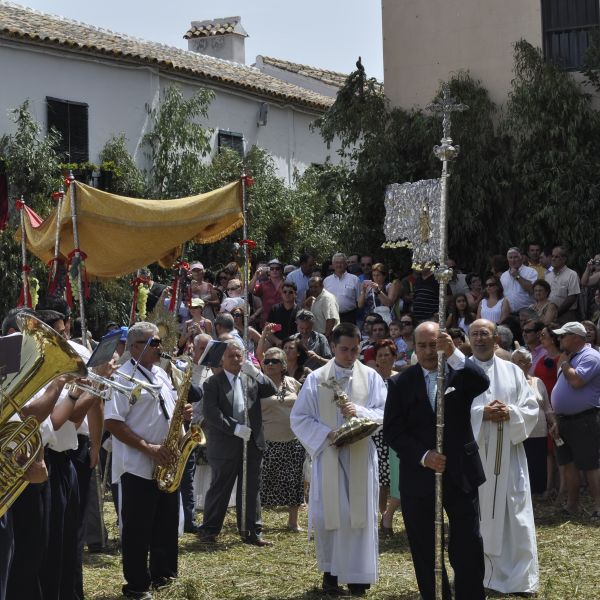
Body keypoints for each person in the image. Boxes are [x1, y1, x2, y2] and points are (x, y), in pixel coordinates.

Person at [383, 322, 489, 600]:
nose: (429, 351)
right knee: (425, 547)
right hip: (419, 478)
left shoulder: (459, 374)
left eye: (434, 344)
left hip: (460, 474)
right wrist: (424, 456)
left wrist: (454, 354)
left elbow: (482, 382)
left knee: (468, 543)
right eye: (423, 345)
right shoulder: (400, 383)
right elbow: (393, 431)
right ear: (414, 347)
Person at [291, 323, 386, 597]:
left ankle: (358, 578)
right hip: (329, 454)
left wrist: (359, 413)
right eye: (344, 349)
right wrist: (328, 434)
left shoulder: (370, 377)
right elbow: (299, 418)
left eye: (354, 349)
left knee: (359, 516)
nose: (349, 355)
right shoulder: (317, 378)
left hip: (359, 454)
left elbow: (384, 412)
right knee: (332, 515)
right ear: (333, 347)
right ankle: (331, 575)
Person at [104, 322, 191, 599]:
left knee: (165, 522)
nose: (160, 348)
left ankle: (164, 576)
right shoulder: (124, 378)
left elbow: (170, 411)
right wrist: (149, 448)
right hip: (138, 465)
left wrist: (184, 414)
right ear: (136, 347)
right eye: (154, 343)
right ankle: (136, 585)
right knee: (138, 528)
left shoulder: (162, 375)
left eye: (159, 343)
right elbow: (113, 422)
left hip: (166, 460)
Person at [469, 319, 539, 596]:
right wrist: (480, 413)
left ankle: (522, 580)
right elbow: (449, 413)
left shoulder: (512, 371)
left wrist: (510, 412)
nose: (479, 339)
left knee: (516, 514)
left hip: (509, 456)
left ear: (495, 337)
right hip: (476, 456)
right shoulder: (459, 371)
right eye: (474, 334)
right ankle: (485, 578)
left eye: (484, 333)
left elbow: (531, 407)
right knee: (481, 516)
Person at [198, 341, 278, 546]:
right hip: (225, 443)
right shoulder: (212, 383)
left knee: (251, 487)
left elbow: (271, 390)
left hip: (251, 442)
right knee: (220, 487)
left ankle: (251, 530)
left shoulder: (250, 380)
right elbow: (212, 413)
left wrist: (258, 373)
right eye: (231, 356)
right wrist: (233, 428)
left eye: (239, 356)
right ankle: (210, 530)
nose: (235, 359)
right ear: (222, 359)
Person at [551, 321, 600, 517]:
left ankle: (598, 507)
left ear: (576, 337)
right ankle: (572, 506)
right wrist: (555, 418)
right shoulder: (571, 356)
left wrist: (564, 363)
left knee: (591, 465)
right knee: (568, 464)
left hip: (584, 419)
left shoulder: (591, 356)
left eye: (563, 336)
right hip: (564, 420)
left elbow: (577, 381)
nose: (559, 339)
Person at [259, 347, 305, 531]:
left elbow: (305, 406)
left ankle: (293, 522)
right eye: (267, 361)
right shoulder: (258, 384)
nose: (270, 364)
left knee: (294, 481)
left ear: (283, 365)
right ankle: (257, 521)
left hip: (293, 440)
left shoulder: (293, 383)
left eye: (274, 361)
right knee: (263, 481)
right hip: (267, 440)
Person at [511, 348, 557, 495]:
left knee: (538, 463)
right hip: (519, 431)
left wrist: (553, 421)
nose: (521, 364)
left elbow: (547, 407)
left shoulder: (538, 382)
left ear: (530, 363)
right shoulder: (509, 384)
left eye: (524, 361)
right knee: (520, 465)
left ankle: (538, 492)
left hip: (539, 430)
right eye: (517, 361)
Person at [371, 339, 399, 536]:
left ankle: (387, 515)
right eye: (380, 355)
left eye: (387, 354)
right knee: (381, 480)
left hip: (397, 435)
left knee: (396, 479)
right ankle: (381, 517)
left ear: (394, 357)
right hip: (376, 434)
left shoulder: (401, 379)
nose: (383, 358)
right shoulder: (371, 380)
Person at [545, 246, 581, 324]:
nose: (553, 259)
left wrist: (557, 313)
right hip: (548, 314)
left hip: (566, 315)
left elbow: (572, 297)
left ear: (564, 259)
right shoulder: (548, 274)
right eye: (552, 256)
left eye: (557, 257)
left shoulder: (572, 274)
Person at [323, 253, 361, 324]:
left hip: (349, 316)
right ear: (333, 265)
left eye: (341, 263)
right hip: (331, 317)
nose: (339, 265)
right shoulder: (326, 281)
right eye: (336, 263)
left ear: (346, 264)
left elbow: (359, 300)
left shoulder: (355, 279)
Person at [500, 247, 537, 313]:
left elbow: (532, 290)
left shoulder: (531, 271)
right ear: (507, 259)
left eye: (515, 257)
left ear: (521, 258)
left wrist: (517, 276)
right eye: (510, 258)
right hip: (509, 313)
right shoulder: (503, 276)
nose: (513, 260)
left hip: (528, 311)